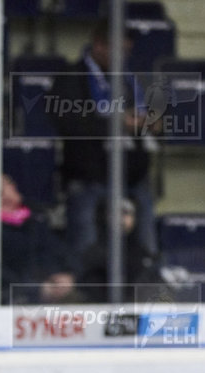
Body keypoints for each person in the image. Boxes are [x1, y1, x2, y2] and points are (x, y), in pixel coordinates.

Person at [51, 19, 157, 255]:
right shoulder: (71, 77)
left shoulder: (131, 80)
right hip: (89, 178)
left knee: (145, 245)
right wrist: (116, 122)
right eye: (119, 50)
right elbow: (69, 123)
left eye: (127, 52)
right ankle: (85, 289)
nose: (123, 57)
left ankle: (143, 286)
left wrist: (153, 122)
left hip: (133, 178)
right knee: (85, 247)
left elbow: (153, 115)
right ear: (99, 45)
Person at [0, 173, 78, 304]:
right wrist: (37, 289)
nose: (12, 187)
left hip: (57, 287)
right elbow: (0, 272)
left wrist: (67, 275)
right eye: (4, 187)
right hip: (21, 298)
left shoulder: (36, 217)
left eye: (9, 183)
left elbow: (59, 249)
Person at [75, 197, 163, 302]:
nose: (120, 218)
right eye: (115, 213)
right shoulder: (93, 255)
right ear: (104, 216)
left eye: (126, 213)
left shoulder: (142, 253)